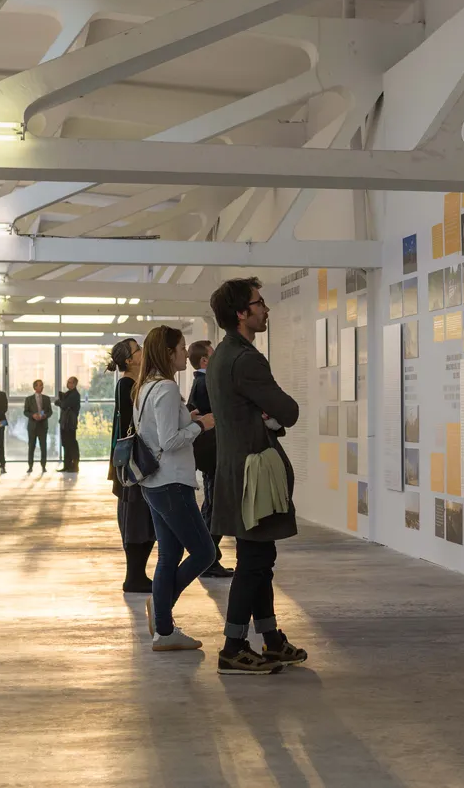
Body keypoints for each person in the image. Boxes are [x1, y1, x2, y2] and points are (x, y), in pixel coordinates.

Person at [208, 277, 305, 676]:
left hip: (238, 469)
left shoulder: (222, 355)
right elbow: (289, 410)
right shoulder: (246, 359)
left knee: (259, 557)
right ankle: (233, 647)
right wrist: (273, 414)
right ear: (240, 313)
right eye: (259, 303)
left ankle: (271, 639)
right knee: (254, 561)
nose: (266, 309)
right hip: (253, 474)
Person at [134, 325, 216, 651]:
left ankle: (164, 631)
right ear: (169, 353)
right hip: (171, 483)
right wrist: (200, 425)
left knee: (169, 555)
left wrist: (187, 419)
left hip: (153, 483)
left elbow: (156, 432)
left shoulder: (145, 387)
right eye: (181, 348)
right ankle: (161, 606)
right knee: (205, 552)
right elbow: (168, 441)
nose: (185, 353)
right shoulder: (167, 388)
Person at [109, 338, 155, 593]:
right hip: (132, 464)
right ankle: (134, 576)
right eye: (138, 350)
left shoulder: (135, 383)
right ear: (129, 360)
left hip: (136, 461)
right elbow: (132, 425)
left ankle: (138, 575)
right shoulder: (126, 385)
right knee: (136, 517)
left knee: (142, 517)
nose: (143, 351)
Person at [187, 339, 233, 579]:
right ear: (205, 361)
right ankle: (208, 559)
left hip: (210, 452)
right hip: (212, 452)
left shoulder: (202, 381)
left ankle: (208, 558)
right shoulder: (205, 383)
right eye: (213, 355)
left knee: (213, 504)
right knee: (215, 506)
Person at [24, 379, 53, 474]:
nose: (42, 387)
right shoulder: (29, 399)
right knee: (31, 447)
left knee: (43, 446)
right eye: (40, 385)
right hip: (32, 426)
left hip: (43, 426)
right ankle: (30, 466)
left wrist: (45, 416)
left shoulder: (46, 398)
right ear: (35, 387)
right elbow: (25, 412)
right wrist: (33, 415)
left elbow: (50, 412)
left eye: (42, 385)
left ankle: (43, 466)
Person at [55, 376, 81, 473]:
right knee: (65, 444)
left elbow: (63, 404)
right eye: (68, 382)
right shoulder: (68, 394)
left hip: (70, 423)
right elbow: (59, 402)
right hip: (64, 423)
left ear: (75, 384)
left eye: (70, 382)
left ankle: (74, 466)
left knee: (71, 444)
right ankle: (67, 466)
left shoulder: (75, 395)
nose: (68, 384)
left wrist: (61, 402)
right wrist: (61, 402)